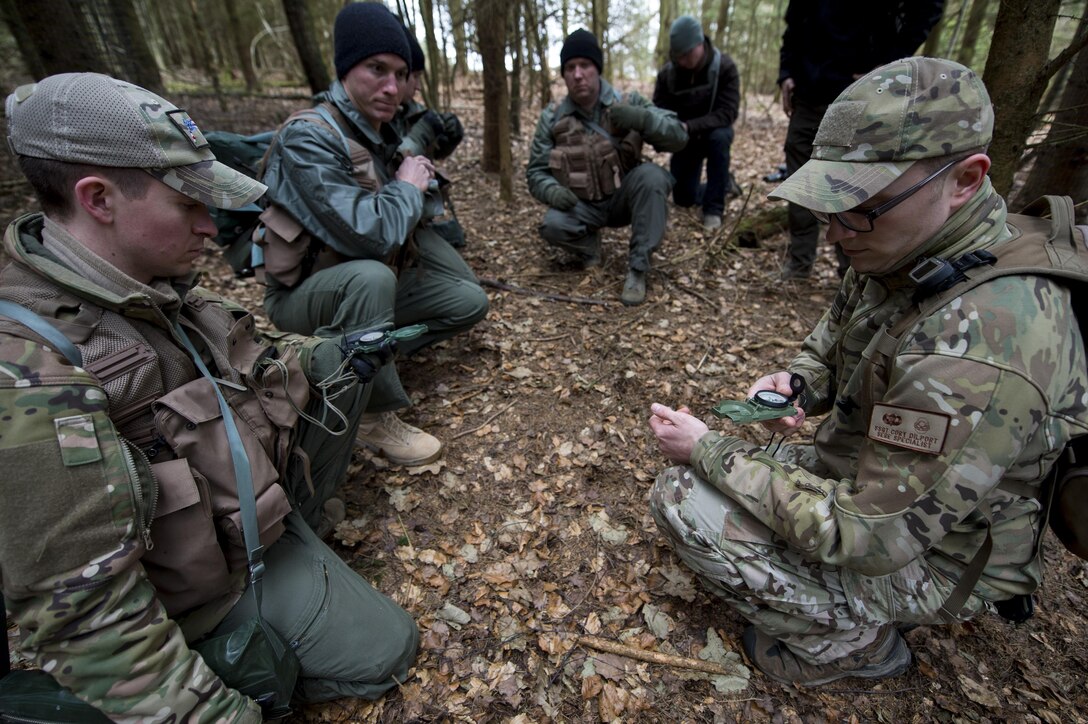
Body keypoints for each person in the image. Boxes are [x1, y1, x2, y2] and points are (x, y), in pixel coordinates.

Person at [647, 57, 1088, 686]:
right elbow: (836, 334)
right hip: (876, 481)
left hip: (940, 557)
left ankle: (855, 649)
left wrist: (709, 449)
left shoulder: (978, 345)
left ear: (964, 178)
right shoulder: (903, 245)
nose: (833, 233)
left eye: (858, 206)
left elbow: (867, 535)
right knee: (723, 476)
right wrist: (798, 382)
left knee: (686, 497)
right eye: (831, 206)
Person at [0, 73, 418, 719]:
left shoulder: (146, 282)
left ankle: (295, 539)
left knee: (342, 374)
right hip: (189, 593)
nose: (209, 225)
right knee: (384, 651)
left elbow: (245, 369)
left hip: (236, 521)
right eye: (187, 204)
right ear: (99, 198)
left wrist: (330, 355)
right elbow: (91, 619)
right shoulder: (31, 375)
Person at [259, 2, 489, 465]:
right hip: (306, 292)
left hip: (358, 279)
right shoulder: (309, 137)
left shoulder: (375, 129)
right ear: (345, 69)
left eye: (400, 74)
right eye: (376, 69)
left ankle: (360, 352)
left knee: (469, 301)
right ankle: (369, 412)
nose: (391, 87)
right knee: (371, 277)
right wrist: (406, 183)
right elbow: (368, 235)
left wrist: (416, 176)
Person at [777, 0, 944, 279]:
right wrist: (786, 73)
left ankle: (853, 272)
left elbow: (926, 10)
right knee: (801, 184)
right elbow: (793, 26)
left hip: (854, 93)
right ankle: (799, 262)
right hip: (807, 93)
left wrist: (889, 63)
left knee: (847, 183)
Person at [526, 28, 688, 306]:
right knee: (552, 224)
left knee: (653, 177)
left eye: (585, 65)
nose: (578, 74)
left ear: (597, 69)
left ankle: (638, 269)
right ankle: (589, 247)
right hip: (581, 203)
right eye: (570, 67)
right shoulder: (552, 117)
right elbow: (536, 172)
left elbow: (678, 136)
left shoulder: (629, 102)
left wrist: (643, 119)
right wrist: (551, 191)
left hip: (623, 197)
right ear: (564, 75)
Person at [653, 15, 741, 231]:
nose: (683, 61)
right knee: (683, 198)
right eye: (678, 56)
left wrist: (690, 126)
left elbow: (727, 113)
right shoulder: (667, 75)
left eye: (688, 54)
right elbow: (659, 111)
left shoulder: (725, 68)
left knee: (721, 137)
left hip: (712, 135)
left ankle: (713, 209)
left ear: (700, 43)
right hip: (685, 141)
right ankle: (723, 185)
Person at [392, 24, 467, 248]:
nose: (417, 86)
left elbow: (433, 154)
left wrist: (450, 135)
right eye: (412, 76)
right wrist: (422, 133)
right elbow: (390, 164)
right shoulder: (376, 114)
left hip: (413, 217)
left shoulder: (409, 111)